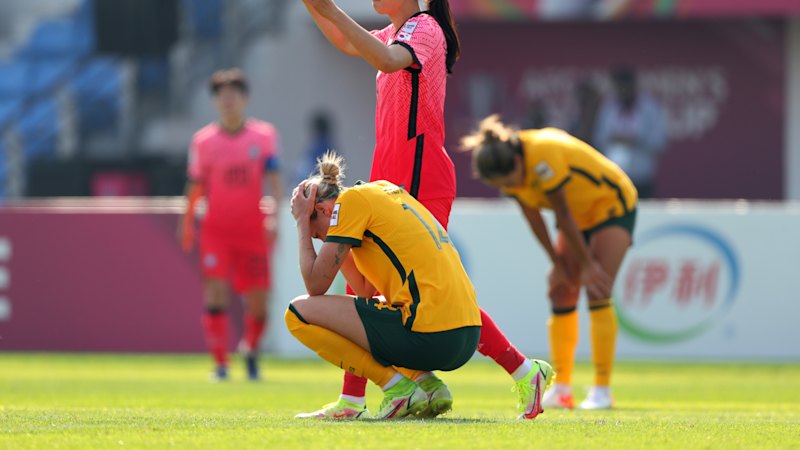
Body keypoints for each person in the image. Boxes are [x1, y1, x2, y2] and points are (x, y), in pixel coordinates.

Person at [300, 0, 551, 420]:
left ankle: (520, 370)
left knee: (427, 292)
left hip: (417, 179)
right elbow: (346, 40)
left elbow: (383, 57)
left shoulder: (424, 28)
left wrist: (330, 8)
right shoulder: (399, 32)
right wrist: (316, 6)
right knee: (362, 282)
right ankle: (375, 395)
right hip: (392, 179)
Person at [286, 152, 485, 420]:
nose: (322, 240)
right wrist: (337, 237)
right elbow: (365, 291)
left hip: (431, 335)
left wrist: (301, 224)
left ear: (321, 211)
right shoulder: (379, 190)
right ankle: (428, 385)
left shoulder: (349, 203)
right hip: (466, 336)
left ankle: (396, 388)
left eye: (317, 234)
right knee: (377, 310)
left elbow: (315, 285)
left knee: (297, 313)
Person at [461, 115, 638, 410]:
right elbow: (533, 217)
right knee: (560, 288)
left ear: (518, 163)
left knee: (597, 288)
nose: (511, 187)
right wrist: (557, 263)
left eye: (510, 181)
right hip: (577, 217)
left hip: (611, 205)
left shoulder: (544, 153)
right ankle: (562, 389)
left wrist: (588, 266)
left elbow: (562, 215)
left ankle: (602, 390)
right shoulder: (510, 169)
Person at [178, 68, 283, 381]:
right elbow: (195, 185)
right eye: (222, 95)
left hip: (253, 230)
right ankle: (221, 364)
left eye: (234, 94)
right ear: (215, 102)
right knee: (215, 294)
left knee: (259, 304)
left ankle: (249, 348)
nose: (228, 101)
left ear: (245, 99)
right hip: (216, 231)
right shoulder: (204, 141)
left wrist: (275, 215)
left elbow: (274, 180)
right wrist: (186, 222)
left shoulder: (264, 136)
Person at [594, 66, 666, 198]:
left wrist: (635, 140)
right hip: (615, 175)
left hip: (641, 176)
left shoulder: (649, 108)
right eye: (618, 87)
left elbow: (659, 141)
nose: (622, 91)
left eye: (624, 86)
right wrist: (615, 138)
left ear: (633, 85)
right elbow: (599, 138)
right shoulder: (609, 107)